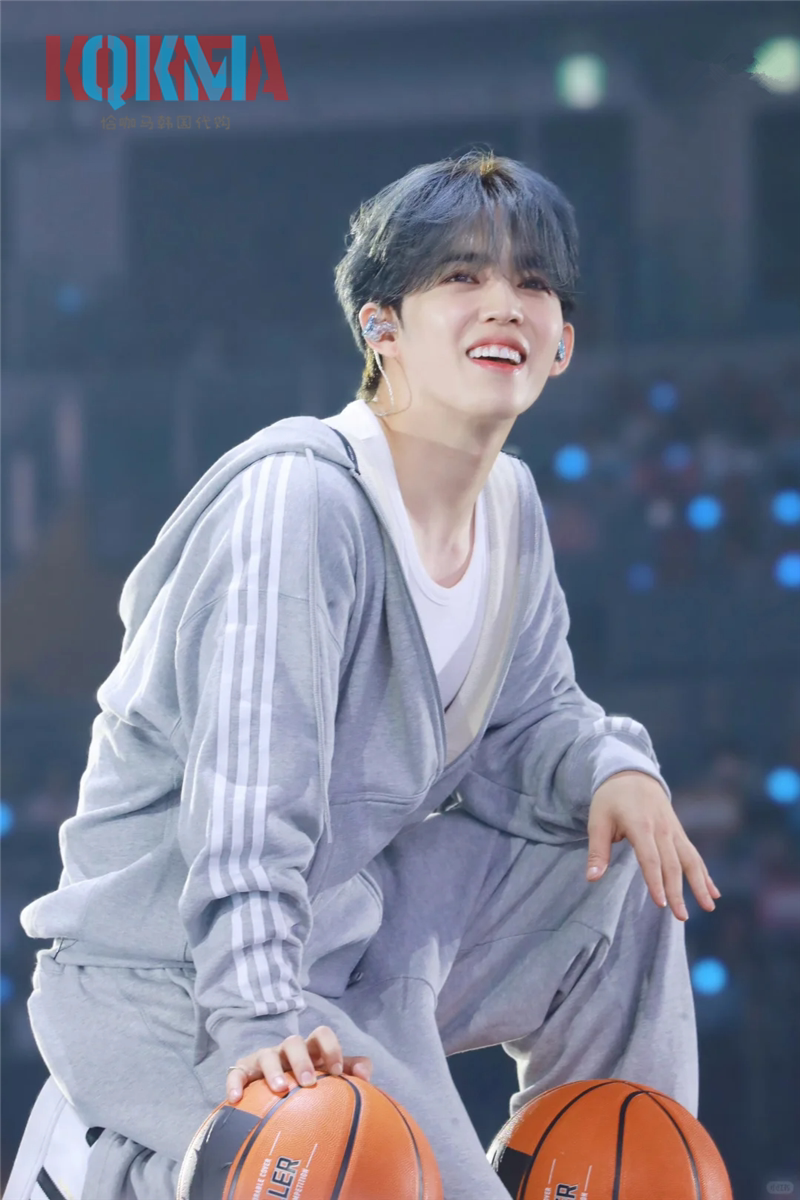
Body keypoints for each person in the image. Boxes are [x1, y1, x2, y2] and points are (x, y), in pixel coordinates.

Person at [6, 149, 720, 1200]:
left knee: (620, 858)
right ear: (380, 327)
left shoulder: (510, 506)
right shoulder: (299, 504)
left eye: (532, 283)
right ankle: (119, 1158)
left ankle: (595, 1161)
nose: (504, 302)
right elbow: (242, 813)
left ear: (563, 342)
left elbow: (530, 727)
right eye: (462, 275)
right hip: (174, 975)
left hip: (347, 922)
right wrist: (260, 1027)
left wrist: (613, 768)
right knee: (399, 1179)